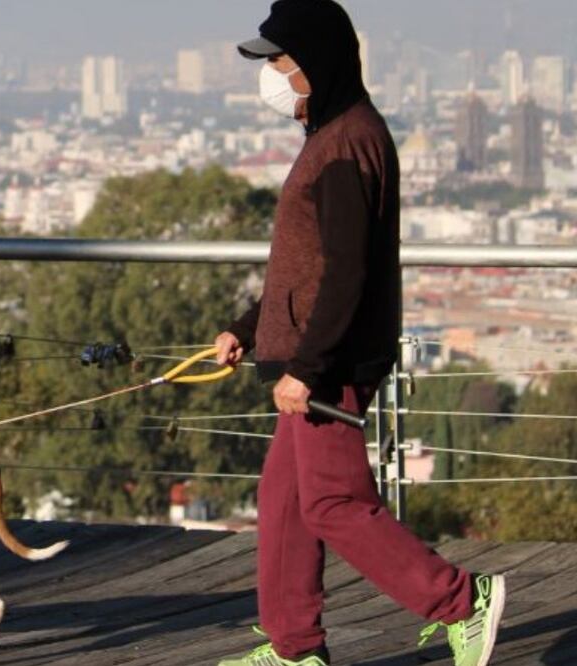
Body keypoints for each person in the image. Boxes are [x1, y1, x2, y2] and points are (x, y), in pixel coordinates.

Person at [213, 2, 505, 665]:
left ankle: (462, 600)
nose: (274, 75)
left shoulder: (346, 143)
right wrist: (247, 330)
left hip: (331, 360)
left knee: (334, 501)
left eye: (282, 60)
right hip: (313, 354)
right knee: (285, 500)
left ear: (320, 60)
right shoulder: (332, 135)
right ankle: (294, 648)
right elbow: (306, 266)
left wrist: (308, 367)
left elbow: (346, 271)